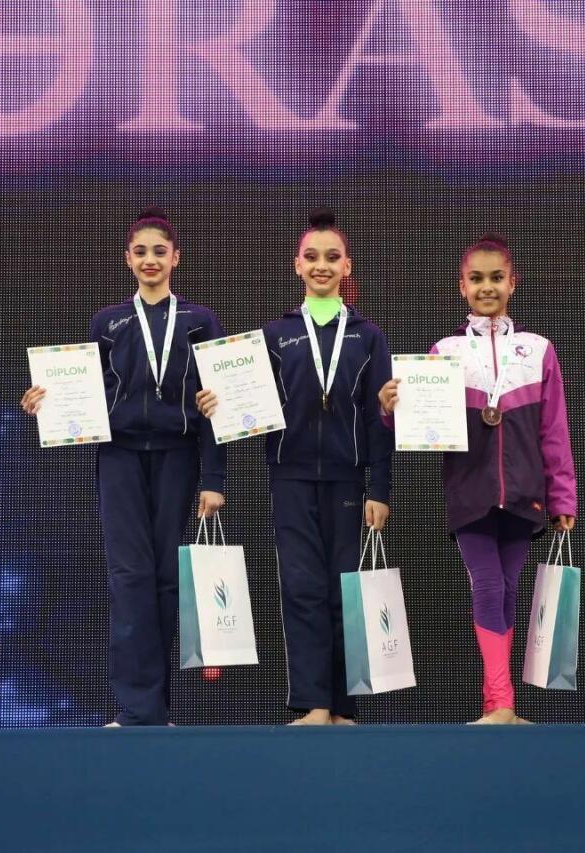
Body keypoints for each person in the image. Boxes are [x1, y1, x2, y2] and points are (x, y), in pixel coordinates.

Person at [21, 208, 225, 726]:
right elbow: (84, 395)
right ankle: (136, 710)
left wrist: (214, 479)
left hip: (178, 456)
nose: (150, 260)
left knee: (166, 579)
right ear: (127, 260)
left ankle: (158, 708)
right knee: (130, 577)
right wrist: (47, 403)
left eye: (159, 251)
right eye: (140, 252)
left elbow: (214, 404)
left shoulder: (200, 321)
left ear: (176, 258)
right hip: (120, 458)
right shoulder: (107, 322)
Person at [198, 209, 392, 725]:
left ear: (347, 266)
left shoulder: (368, 336)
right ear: (297, 265)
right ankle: (314, 703)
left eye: (332, 257)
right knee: (302, 588)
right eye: (312, 256)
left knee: (345, 590)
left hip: (349, 479)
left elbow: (380, 420)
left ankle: (344, 707)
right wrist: (220, 402)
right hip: (290, 476)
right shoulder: (275, 334)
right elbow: (248, 404)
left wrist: (379, 487)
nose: (321, 265)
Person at [379, 233, 576, 724]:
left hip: (525, 492)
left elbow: (554, 430)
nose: (487, 287)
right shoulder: (445, 352)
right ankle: (503, 701)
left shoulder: (538, 350)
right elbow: (420, 423)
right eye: (477, 278)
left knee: (508, 589)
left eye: (496, 277)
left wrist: (563, 497)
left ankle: (497, 704)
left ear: (513, 283)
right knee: (487, 586)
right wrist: (390, 409)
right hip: (470, 491)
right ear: (462, 287)